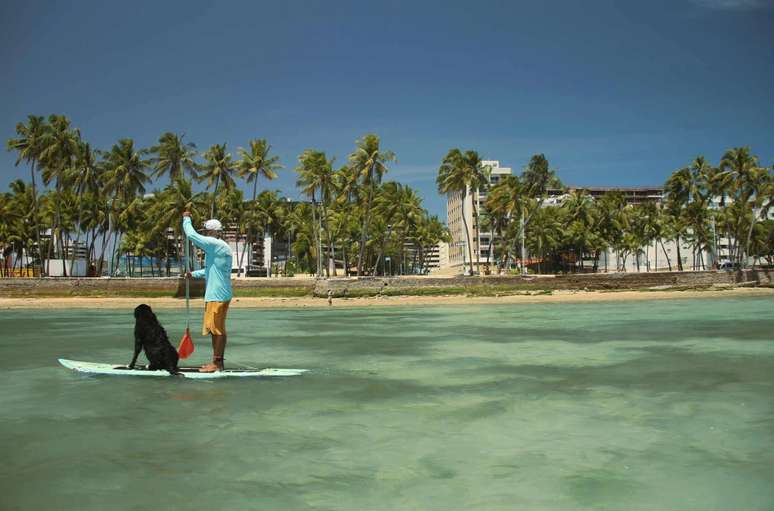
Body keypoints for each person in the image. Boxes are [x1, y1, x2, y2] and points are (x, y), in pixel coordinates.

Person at [182, 212, 233, 372]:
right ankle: (216, 362)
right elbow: (210, 270)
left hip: (217, 295)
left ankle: (217, 364)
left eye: (205, 232)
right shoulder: (220, 247)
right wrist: (193, 274)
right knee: (214, 329)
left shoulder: (215, 244)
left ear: (211, 232)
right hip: (218, 294)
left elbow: (191, 235)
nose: (204, 234)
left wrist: (186, 218)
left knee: (217, 330)